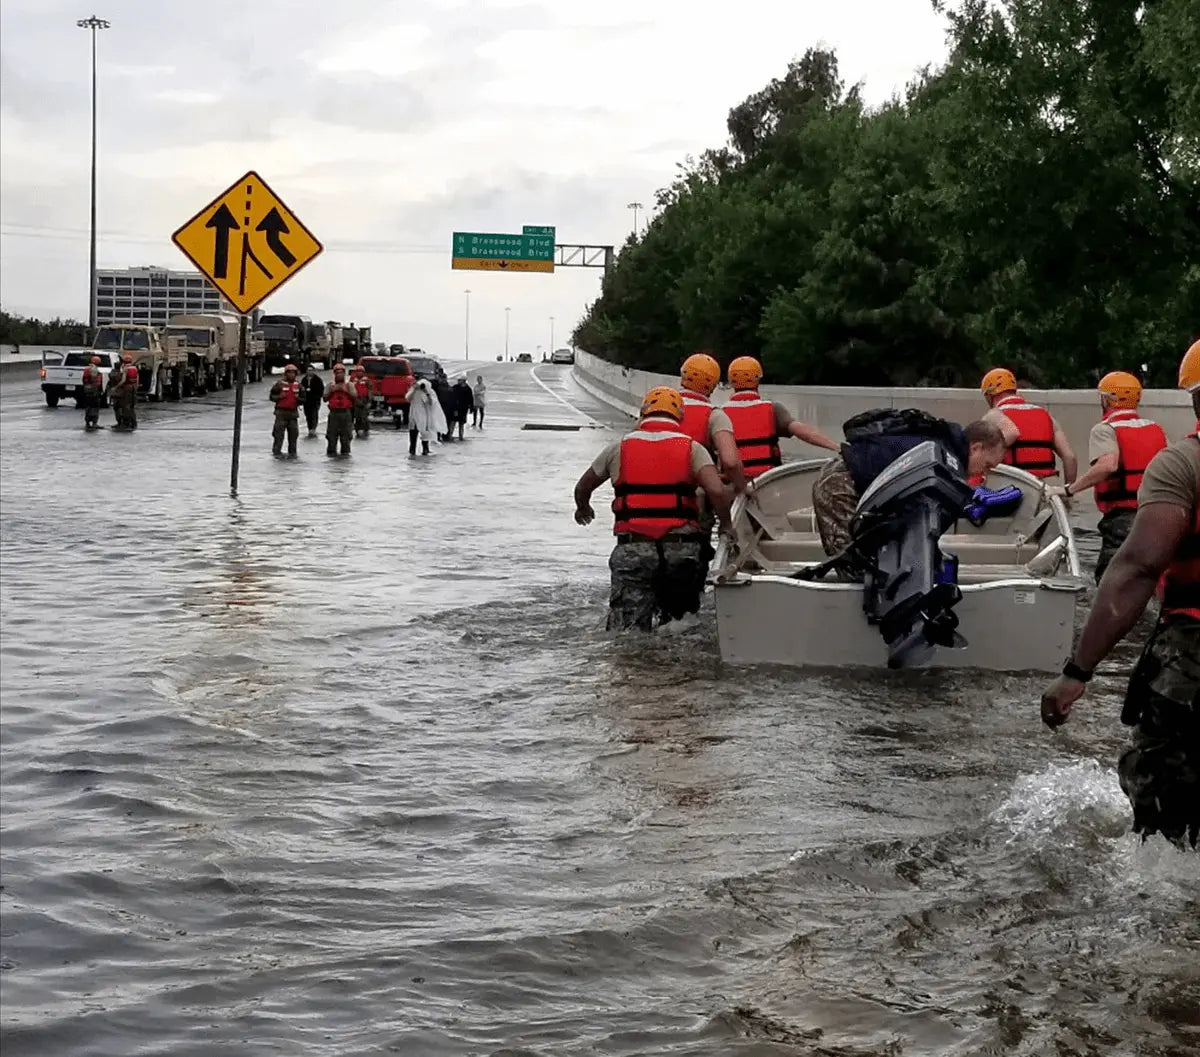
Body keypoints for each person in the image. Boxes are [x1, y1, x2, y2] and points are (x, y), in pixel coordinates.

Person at [1040, 340, 1200, 849]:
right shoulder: (1155, 434)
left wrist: (1077, 672)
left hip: (1192, 642)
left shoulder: (1184, 462)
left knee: (1165, 794)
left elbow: (1136, 569)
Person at [573, 386, 734, 631]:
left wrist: (583, 508)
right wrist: (726, 524)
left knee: (627, 631)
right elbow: (718, 492)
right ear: (680, 416)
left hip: (633, 548)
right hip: (681, 549)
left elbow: (583, 487)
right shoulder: (692, 448)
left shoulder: (619, 448)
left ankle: (635, 665)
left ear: (643, 413)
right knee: (681, 627)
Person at [812, 412, 1007, 573]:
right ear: (976, 448)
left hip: (853, 477)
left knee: (873, 567)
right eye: (988, 465)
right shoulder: (945, 461)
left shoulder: (943, 443)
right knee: (855, 569)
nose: (985, 473)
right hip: (842, 483)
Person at [1048, 371, 1168, 582]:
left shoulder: (1104, 430)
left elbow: (1108, 465)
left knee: (1111, 580)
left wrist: (1069, 489)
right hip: (1156, 512)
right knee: (1150, 575)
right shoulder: (1156, 429)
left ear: (1107, 399)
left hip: (1123, 516)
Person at [722, 356, 840, 479]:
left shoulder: (720, 413)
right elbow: (802, 431)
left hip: (734, 481)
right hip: (766, 480)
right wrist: (836, 447)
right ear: (757, 380)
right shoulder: (772, 408)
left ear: (731, 382)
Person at [980, 368, 1078, 483]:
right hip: (1047, 484)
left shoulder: (994, 415)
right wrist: (1068, 491)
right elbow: (1070, 457)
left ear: (989, 395)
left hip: (1014, 482)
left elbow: (1011, 433)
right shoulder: (1045, 415)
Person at [268, 362, 302, 457]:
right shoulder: (279, 384)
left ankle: (292, 453)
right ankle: (276, 452)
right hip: (281, 413)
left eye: (293, 373)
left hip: (293, 414)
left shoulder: (298, 385)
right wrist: (280, 397)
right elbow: (271, 396)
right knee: (278, 435)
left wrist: (298, 399)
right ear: (286, 374)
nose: (291, 375)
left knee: (293, 436)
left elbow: (304, 399)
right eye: (289, 373)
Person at [408, 378, 447, 456]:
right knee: (413, 434)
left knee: (425, 435)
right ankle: (412, 452)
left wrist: (426, 392)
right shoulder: (414, 392)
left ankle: (425, 450)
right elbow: (408, 398)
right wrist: (414, 390)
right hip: (413, 416)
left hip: (423, 416)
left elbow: (432, 403)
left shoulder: (429, 392)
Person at [323, 363, 356, 456]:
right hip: (334, 414)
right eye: (337, 373)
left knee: (346, 438)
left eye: (341, 373)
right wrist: (332, 391)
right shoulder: (330, 385)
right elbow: (325, 398)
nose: (339, 375)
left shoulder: (349, 385)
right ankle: (331, 454)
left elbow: (355, 397)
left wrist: (345, 391)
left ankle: (345, 456)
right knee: (331, 437)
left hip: (345, 413)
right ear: (334, 374)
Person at [110, 353, 139, 431]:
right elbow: (137, 380)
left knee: (126, 406)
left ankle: (126, 423)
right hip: (133, 388)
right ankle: (133, 423)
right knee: (131, 406)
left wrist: (116, 387)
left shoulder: (125, 369)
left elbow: (123, 380)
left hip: (126, 389)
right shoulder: (135, 368)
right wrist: (136, 388)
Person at [80, 355, 105, 430]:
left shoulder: (86, 369)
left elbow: (84, 379)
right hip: (94, 390)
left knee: (88, 406)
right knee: (95, 406)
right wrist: (99, 389)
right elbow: (95, 380)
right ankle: (94, 423)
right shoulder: (94, 369)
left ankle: (87, 422)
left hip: (86, 389)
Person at [299, 363, 324, 436]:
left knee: (314, 414)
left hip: (315, 400)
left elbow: (321, 389)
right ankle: (309, 427)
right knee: (307, 415)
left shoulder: (317, 380)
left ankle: (313, 428)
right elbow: (301, 389)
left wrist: (318, 396)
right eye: (308, 370)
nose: (309, 372)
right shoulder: (304, 380)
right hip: (306, 401)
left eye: (311, 370)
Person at [351, 363, 372, 438]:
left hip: (364, 399)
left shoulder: (367, 380)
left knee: (364, 416)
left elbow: (370, 390)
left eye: (361, 371)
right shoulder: (353, 380)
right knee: (357, 416)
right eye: (358, 371)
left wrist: (369, 401)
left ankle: (365, 429)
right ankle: (358, 430)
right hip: (356, 400)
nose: (359, 373)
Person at [432, 376, 456, 441]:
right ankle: (443, 435)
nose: (443, 380)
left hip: (444, 408)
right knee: (443, 422)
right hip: (443, 408)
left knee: (442, 422)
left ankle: (441, 435)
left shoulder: (440, 388)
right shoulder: (443, 388)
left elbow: (453, 399)